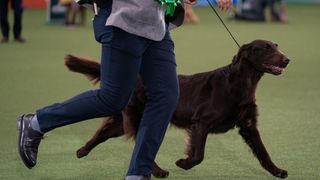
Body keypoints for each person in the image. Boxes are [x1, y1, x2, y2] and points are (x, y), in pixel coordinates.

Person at [17, 0, 232, 179]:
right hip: (122, 20)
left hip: (156, 28)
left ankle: (138, 173)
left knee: (166, 96)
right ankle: (36, 122)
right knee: (113, 99)